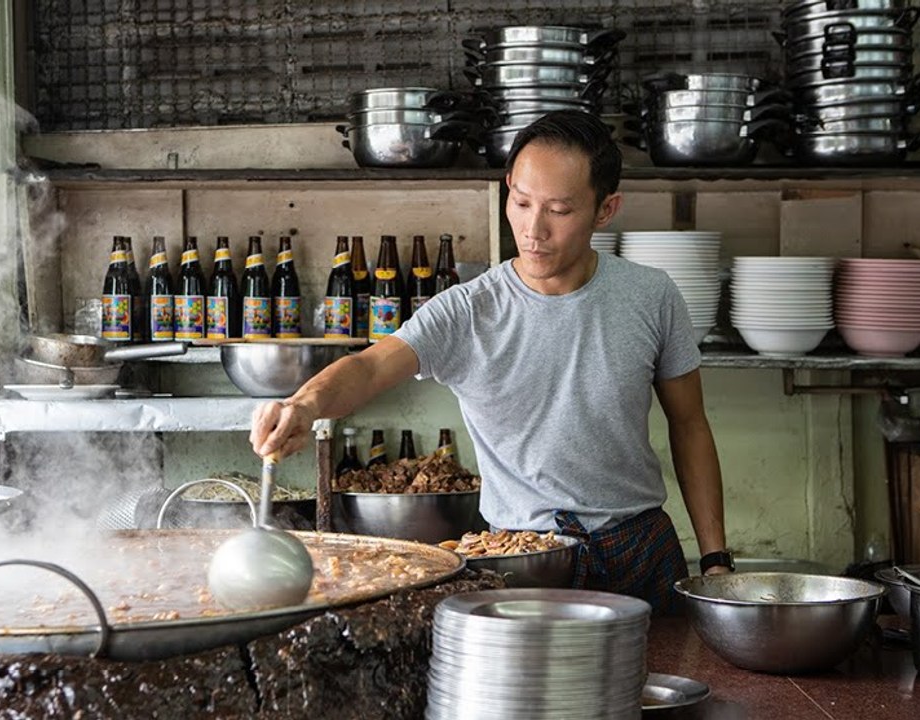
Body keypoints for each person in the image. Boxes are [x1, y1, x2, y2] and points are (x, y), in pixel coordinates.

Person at [250, 110, 731, 614]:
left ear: (605, 209)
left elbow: (690, 423)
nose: (533, 230)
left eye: (559, 211)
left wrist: (716, 558)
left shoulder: (651, 296)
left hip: (642, 549)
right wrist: (304, 404)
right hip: (525, 556)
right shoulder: (468, 311)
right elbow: (370, 367)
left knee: (667, 686)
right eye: (520, 203)